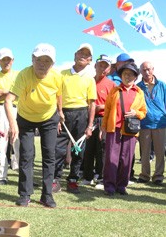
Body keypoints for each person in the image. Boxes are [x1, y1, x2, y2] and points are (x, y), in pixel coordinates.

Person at [5, 43, 63, 208]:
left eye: (47, 61)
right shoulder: (24, 75)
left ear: (53, 64)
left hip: (49, 117)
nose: (42, 64)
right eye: (39, 60)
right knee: (26, 155)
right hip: (26, 118)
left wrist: (60, 114)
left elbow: (59, 95)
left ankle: (47, 195)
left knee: (49, 155)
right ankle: (25, 194)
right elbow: (8, 100)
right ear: (32, 59)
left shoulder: (57, 77)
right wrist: (13, 124)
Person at [53, 43, 97, 194]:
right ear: (75, 55)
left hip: (82, 115)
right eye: (80, 53)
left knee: (78, 151)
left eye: (86, 55)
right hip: (63, 115)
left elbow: (92, 103)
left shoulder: (90, 79)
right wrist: (59, 112)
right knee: (57, 149)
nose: (83, 56)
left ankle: (73, 180)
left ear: (90, 60)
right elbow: (57, 95)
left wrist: (90, 125)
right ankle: (55, 180)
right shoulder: (61, 74)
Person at [102, 62, 147, 196]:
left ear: (135, 77)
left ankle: (122, 186)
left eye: (131, 74)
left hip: (130, 130)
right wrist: (103, 127)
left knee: (126, 159)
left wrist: (136, 113)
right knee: (111, 158)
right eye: (125, 74)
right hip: (114, 128)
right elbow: (108, 109)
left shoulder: (139, 92)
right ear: (121, 75)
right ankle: (109, 186)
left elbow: (143, 111)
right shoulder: (114, 90)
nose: (127, 76)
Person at [81, 54, 116, 187]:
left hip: (102, 119)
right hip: (88, 118)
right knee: (88, 149)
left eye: (105, 66)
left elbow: (114, 105)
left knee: (102, 149)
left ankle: (101, 177)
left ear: (109, 69)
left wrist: (102, 107)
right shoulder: (88, 81)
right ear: (95, 66)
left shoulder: (112, 85)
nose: (102, 68)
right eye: (100, 65)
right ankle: (87, 176)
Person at [0, 48, 19, 185]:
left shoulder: (19, 75)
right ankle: (1, 176)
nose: (6, 62)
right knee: (1, 143)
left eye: (9, 59)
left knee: (19, 143)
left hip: (18, 109)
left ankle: (25, 175)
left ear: (13, 60)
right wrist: (12, 92)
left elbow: (21, 93)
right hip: (0, 109)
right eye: (3, 59)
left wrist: (5, 92)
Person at [137, 61, 166, 185]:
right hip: (144, 123)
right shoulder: (138, 87)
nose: (147, 72)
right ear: (140, 72)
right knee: (145, 151)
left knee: (160, 152)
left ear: (153, 69)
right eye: (144, 70)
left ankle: (158, 176)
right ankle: (144, 175)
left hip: (161, 123)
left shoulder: (162, 85)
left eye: (149, 69)